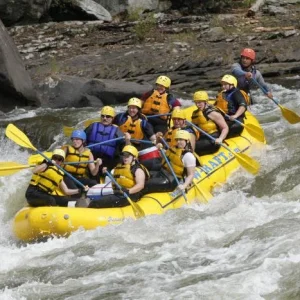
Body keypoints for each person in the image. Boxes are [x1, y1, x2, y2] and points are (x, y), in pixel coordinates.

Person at [85, 106, 130, 174]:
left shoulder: (116, 131)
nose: (105, 118)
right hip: (91, 157)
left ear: (112, 118)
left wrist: (127, 140)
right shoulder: (92, 126)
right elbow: (81, 140)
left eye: (108, 116)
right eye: (103, 116)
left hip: (107, 160)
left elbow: (126, 148)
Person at [192, 91, 229, 156]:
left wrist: (220, 139)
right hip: (202, 138)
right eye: (196, 102)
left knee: (192, 148)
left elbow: (225, 128)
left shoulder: (213, 113)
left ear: (205, 102)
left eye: (200, 102)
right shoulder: (195, 113)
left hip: (213, 139)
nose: (197, 105)